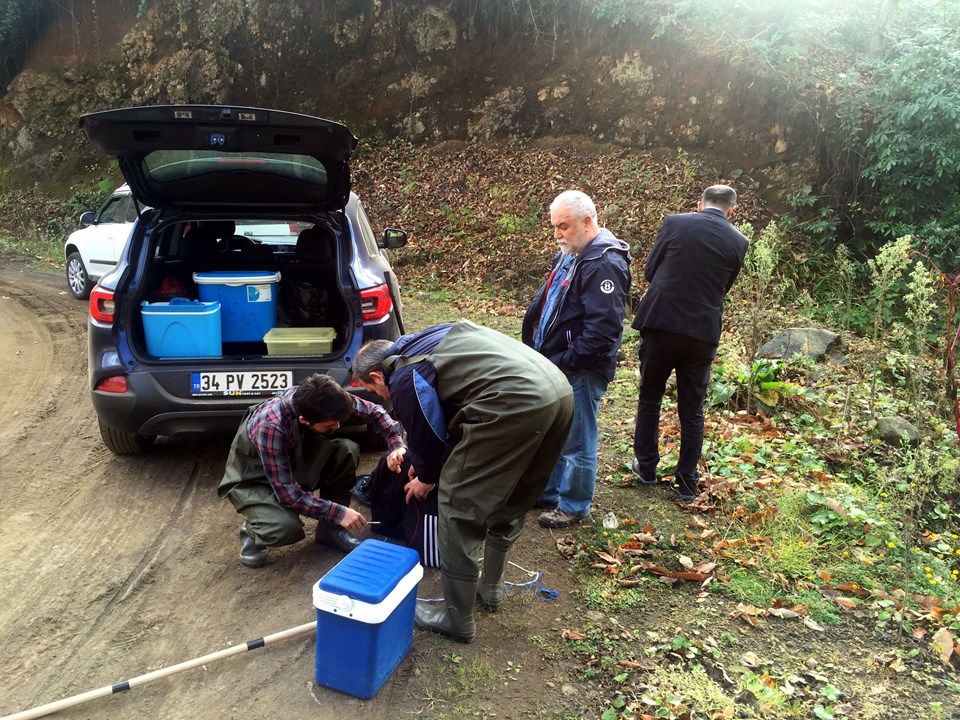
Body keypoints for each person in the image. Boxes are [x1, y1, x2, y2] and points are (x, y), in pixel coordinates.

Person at [352, 320, 574, 643]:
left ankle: (457, 617)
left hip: (513, 402)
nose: (381, 397)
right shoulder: (429, 339)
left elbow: (427, 437)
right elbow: (453, 414)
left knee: (455, 505)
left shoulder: (402, 376)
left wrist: (426, 479)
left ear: (375, 376)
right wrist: (427, 465)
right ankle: (492, 587)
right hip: (557, 389)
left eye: (373, 391)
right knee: (514, 490)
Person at [631, 184, 749, 501]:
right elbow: (724, 288)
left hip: (662, 323)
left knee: (651, 396)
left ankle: (646, 467)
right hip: (702, 332)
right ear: (731, 210)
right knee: (692, 410)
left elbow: (649, 272)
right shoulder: (740, 241)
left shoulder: (675, 223)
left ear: (700, 204)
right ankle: (685, 481)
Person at [521, 190, 631, 528]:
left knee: (578, 439)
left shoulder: (603, 262)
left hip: (579, 369)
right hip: (555, 363)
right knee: (554, 433)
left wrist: (567, 360)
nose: (557, 234)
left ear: (587, 222)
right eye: (555, 226)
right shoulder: (571, 252)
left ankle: (574, 505)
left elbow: (603, 330)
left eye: (563, 226)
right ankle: (550, 492)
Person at [218, 373, 406, 568]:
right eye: (330, 425)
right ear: (304, 419)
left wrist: (396, 445)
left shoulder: (327, 397)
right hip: (256, 480)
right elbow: (289, 495)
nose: (338, 426)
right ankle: (255, 530)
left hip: (291, 465)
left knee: (346, 450)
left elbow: (375, 411)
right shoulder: (270, 426)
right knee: (284, 528)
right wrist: (338, 512)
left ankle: (331, 531)